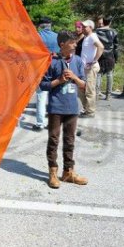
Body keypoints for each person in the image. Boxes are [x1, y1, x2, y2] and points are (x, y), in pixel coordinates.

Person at [40, 31, 88, 189]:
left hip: (72, 108)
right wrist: (59, 80)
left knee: (70, 141)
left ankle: (68, 172)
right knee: (53, 140)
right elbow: (43, 85)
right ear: (62, 45)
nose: (75, 45)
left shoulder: (79, 61)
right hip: (56, 107)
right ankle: (53, 172)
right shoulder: (52, 61)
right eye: (72, 43)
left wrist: (74, 77)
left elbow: (84, 85)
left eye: (76, 42)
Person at [34, 17, 59, 131]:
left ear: (40, 26)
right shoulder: (57, 36)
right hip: (56, 68)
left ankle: (40, 124)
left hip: (41, 69)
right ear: (50, 25)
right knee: (53, 96)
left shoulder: (36, 36)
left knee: (41, 96)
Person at [78, 20, 103, 118]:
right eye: (82, 26)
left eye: (85, 27)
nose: (83, 28)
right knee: (81, 89)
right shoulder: (86, 37)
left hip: (90, 68)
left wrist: (94, 60)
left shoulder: (92, 36)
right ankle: (86, 109)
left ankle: (90, 112)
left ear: (90, 28)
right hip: (84, 67)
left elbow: (101, 47)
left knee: (89, 90)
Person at [95, 16, 119, 101]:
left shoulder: (96, 32)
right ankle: (108, 95)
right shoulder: (114, 32)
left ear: (103, 22)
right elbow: (116, 47)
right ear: (110, 22)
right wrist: (116, 58)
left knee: (98, 74)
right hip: (110, 55)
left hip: (100, 55)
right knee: (109, 74)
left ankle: (97, 94)